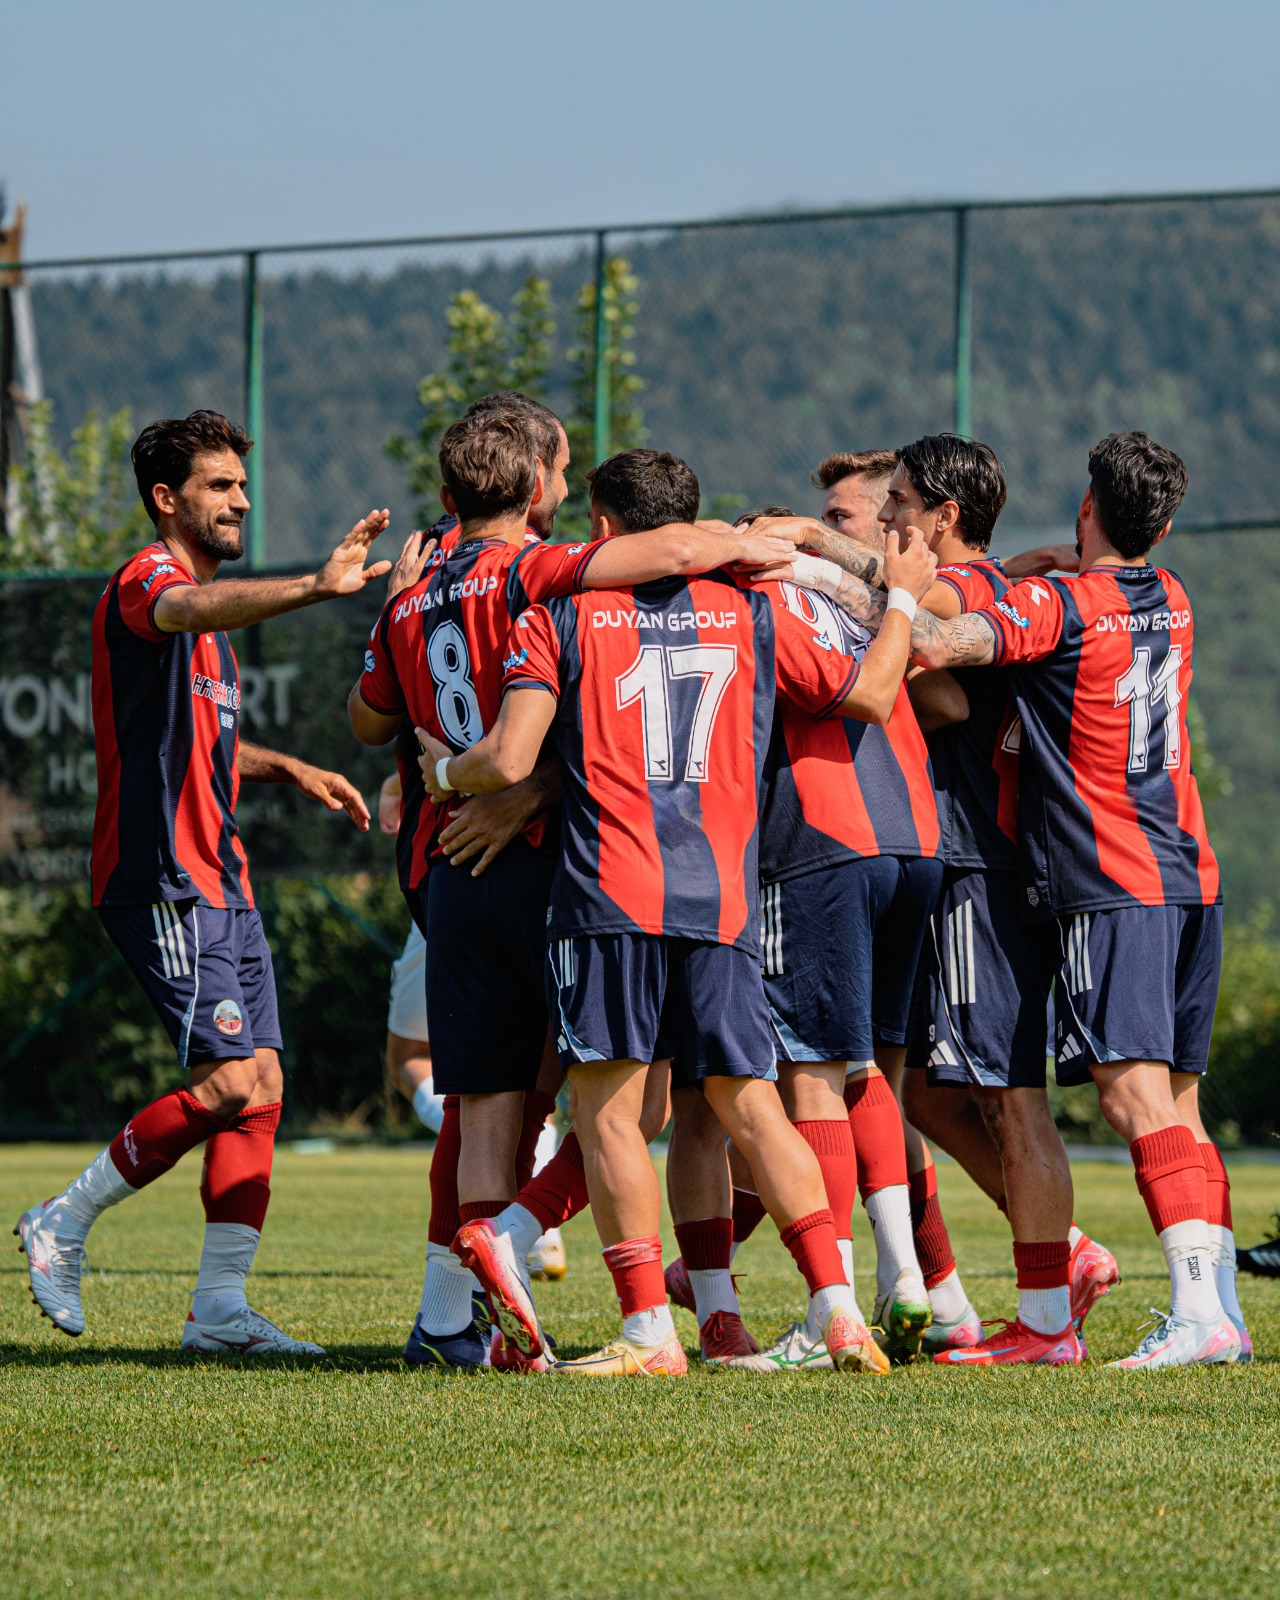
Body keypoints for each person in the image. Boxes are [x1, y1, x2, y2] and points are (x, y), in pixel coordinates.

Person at [427, 447, 941, 1377]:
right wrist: (896, 598)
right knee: (750, 1105)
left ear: (603, 527)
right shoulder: (755, 609)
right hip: (726, 894)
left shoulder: (561, 612)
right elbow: (869, 691)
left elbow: (508, 759)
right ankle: (836, 1309)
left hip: (610, 892)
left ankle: (644, 1331)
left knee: (613, 1115)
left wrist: (440, 772)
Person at [348, 416, 801, 1371]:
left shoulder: (410, 595)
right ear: (545, 497)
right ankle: (635, 1302)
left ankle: (471, 1318)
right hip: (563, 869)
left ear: (444, 500)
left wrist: (399, 623)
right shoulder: (541, 573)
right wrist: (755, 540)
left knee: (485, 1108)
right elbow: (667, 559)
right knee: (623, 1100)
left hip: (446, 871)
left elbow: (366, 714)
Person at [15, 409, 391, 1354]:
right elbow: (179, 611)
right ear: (166, 498)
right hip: (162, 879)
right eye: (220, 486)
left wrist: (292, 769)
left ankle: (219, 1313)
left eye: (240, 484)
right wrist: (315, 586)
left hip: (223, 880)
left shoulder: (211, 632)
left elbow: (206, 744)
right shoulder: (153, 580)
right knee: (227, 1083)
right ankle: (61, 1219)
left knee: (261, 1085)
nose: (241, 500)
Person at [908, 430, 1247, 1368]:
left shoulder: (1062, 608)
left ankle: (1197, 1318)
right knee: (1176, 1104)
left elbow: (940, 642)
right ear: (1166, 526)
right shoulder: (1170, 598)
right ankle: (1214, 1309)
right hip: (1190, 872)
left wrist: (885, 576)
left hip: (1111, 881)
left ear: (1086, 505)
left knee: (1132, 1096)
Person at [876, 435, 1119, 1365]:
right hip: (968, 865)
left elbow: (930, 651)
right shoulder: (994, 587)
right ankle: (1068, 1259)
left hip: (982, 866)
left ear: (945, 517)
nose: (891, 514)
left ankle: (1052, 1305)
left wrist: (821, 559)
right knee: (934, 1095)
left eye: (900, 501)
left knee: (1012, 1100)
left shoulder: (969, 593)